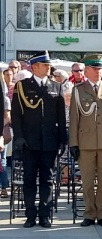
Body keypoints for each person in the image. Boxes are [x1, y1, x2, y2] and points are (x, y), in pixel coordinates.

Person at [11, 51, 65, 228]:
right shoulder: (23, 86)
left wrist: (62, 139)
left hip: (49, 142)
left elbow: (60, 118)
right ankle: (30, 215)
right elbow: (17, 115)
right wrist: (19, 137)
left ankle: (44, 215)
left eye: (48, 65)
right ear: (34, 67)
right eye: (45, 65)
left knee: (47, 180)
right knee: (29, 180)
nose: (48, 68)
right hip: (29, 142)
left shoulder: (56, 87)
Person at [69, 54, 102, 227]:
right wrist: (74, 143)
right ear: (86, 70)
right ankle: (89, 213)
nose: (98, 72)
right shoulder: (78, 90)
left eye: (100, 69)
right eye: (94, 69)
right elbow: (74, 119)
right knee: (87, 181)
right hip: (86, 143)